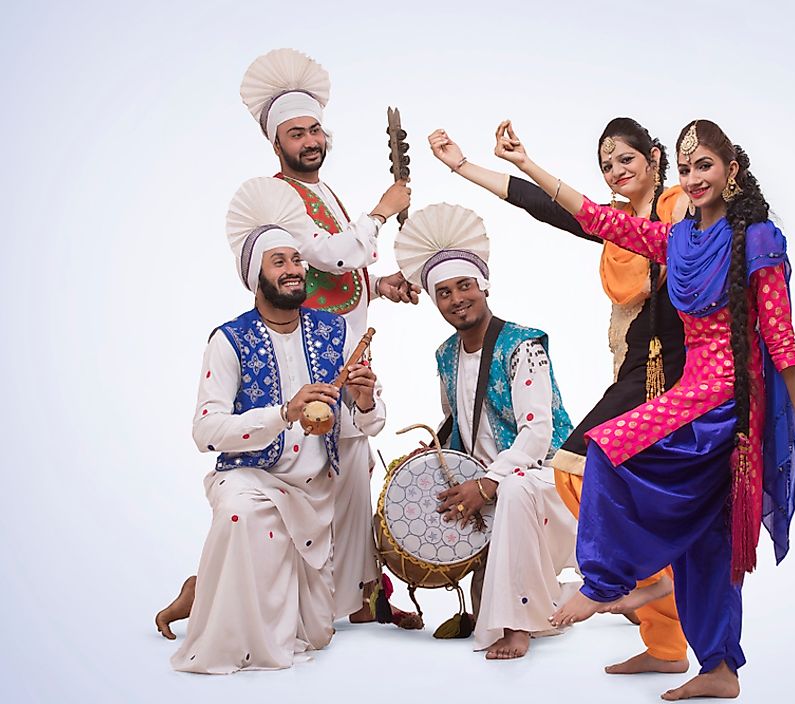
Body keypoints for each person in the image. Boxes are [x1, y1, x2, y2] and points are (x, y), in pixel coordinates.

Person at [491, 120, 795, 700]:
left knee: (605, 446)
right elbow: (596, 218)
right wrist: (528, 163)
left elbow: (780, 337)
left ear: (732, 170)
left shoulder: (757, 239)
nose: (694, 177)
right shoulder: (680, 238)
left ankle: (607, 579)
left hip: (728, 404)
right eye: (685, 169)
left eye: (704, 164)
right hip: (690, 394)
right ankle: (720, 669)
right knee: (709, 540)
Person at [156, 49, 414, 638]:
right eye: (296, 133)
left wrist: (381, 283)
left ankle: (360, 594)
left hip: (344, 347)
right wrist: (382, 209)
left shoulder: (323, 192)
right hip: (296, 350)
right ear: (277, 144)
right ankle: (218, 582)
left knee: (352, 464)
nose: (310, 140)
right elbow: (325, 256)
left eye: (315, 128)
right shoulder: (284, 198)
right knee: (300, 467)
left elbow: (339, 267)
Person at [428, 119, 691, 675]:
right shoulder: (619, 226)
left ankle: (633, 578)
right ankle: (667, 644)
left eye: (626, 159)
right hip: (635, 368)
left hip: (670, 372)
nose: (617, 171)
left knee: (575, 464)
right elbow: (547, 206)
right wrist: (468, 167)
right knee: (629, 492)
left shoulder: (677, 209)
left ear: (653, 157)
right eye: (606, 164)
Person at [170, 222, 384, 674]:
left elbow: (368, 423)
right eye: (280, 262)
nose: (293, 269)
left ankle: (204, 587)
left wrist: (365, 402)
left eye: (297, 259)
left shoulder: (335, 331)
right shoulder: (228, 340)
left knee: (317, 633)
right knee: (238, 515)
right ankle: (215, 612)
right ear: (256, 277)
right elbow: (205, 431)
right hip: (249, 479)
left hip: (315, 491)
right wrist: (282, 414)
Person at [394, 203, 578, 660]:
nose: (457, 298)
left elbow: (536, 435)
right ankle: (591, 594)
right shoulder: (445, 355)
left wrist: (488, 482)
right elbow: (458, 423)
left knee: (513, 492)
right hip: (490, 480)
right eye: (443, 292)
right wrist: (437, 453)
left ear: (484, 286)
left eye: (464, 286)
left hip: (548, 474)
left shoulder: (523, 345)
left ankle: (519, 625)